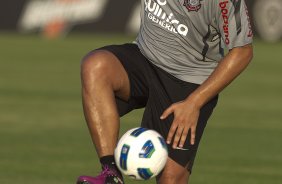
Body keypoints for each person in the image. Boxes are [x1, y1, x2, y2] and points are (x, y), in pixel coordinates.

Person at [77, 0, 253, 183]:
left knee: (171, 179)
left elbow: (242, 51)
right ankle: (110, 173)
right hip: (144, 57)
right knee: (96, 66)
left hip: (188, 82)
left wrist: (194, 102)